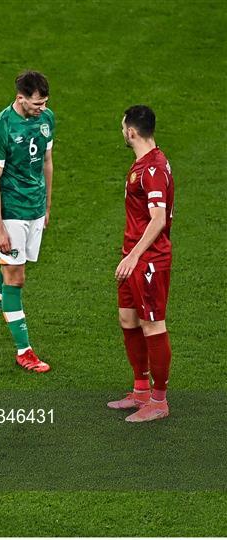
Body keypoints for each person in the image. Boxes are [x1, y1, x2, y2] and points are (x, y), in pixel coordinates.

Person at [0, 71, 54, 373]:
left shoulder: (47, 119)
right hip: (12, 211)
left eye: (44, 102)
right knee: (15, 279)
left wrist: (47, 206)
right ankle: (23, 351)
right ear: (20, 98)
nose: (41, 107)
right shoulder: (0, 128)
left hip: (35, 209)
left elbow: (47, 163)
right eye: (36, 103)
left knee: (8, 272)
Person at [107, 105, 174, 422]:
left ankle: (159, 402)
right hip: (133, 256)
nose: (122, 132)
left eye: (123, 128)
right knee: (128, 320)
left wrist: (133, 256)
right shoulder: (143, 164)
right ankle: (140, 390)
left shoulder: (153, 169)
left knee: (152, 324)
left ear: (131, 131)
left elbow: (158, 219)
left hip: (148, 259)